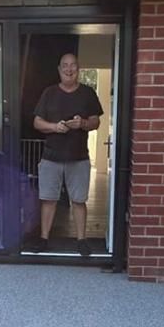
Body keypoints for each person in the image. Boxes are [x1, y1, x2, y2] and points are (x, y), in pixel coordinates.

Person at [30, 53, 103, 256]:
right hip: (51, 157)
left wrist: (83, 123)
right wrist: (55, 127)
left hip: (79, 157)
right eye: (65, 65)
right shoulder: (49, 93)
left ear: (78, 69)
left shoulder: (87, 93)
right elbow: (37, 122)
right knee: (48, 200)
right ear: (59, 69)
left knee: (79, 200)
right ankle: (43, 239)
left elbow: (96, 122)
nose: (69, 69)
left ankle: (82, 241)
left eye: (73, 65)